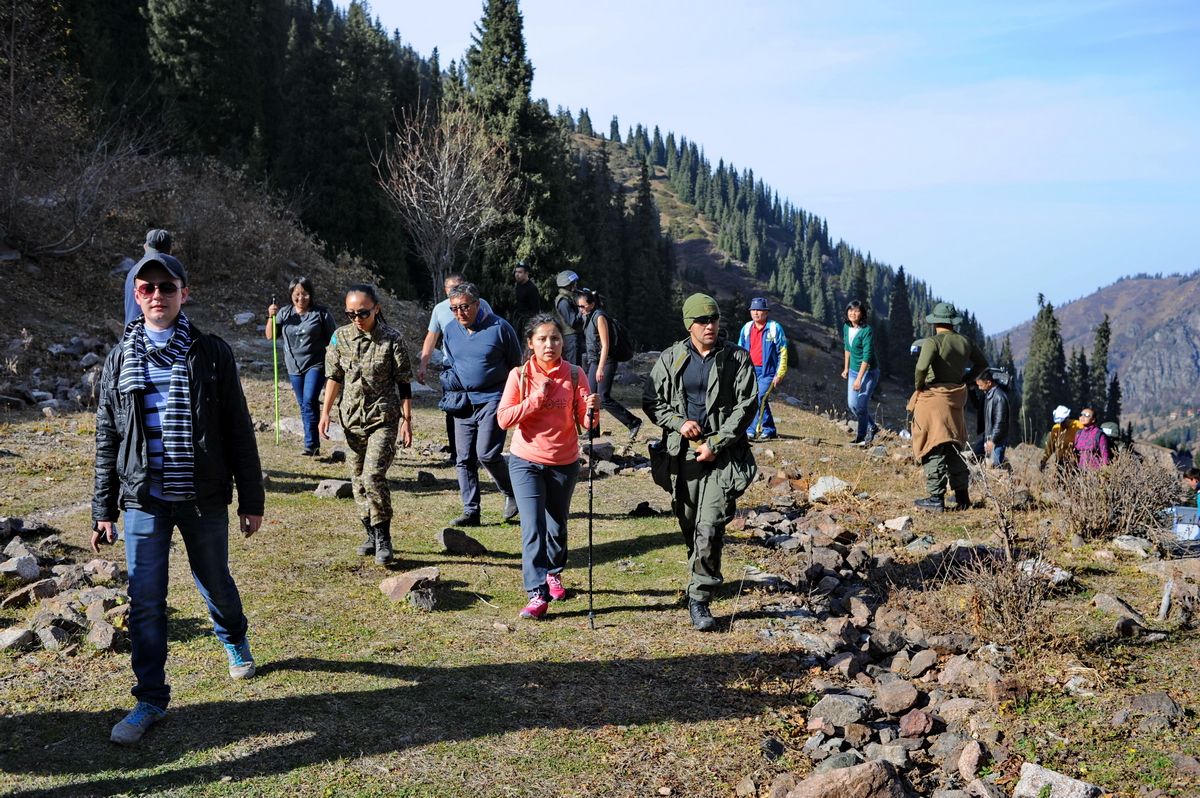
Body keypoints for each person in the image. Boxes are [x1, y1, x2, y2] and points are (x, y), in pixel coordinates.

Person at [92, 250, 264, 746]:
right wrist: (102, 508)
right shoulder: (119, 358)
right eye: (147, 288)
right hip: (143, 497)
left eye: (167, 287)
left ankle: (233, 636)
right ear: (136, 296)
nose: (157, 296)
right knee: (145, 601)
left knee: (214, 580)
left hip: (203, 496)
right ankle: (149, 699)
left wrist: (251, 498)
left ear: (184, 294)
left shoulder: (212, 352)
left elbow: (237, 428)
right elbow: (108, 435)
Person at [642, 293, 758, 631]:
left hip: (722, 458)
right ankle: (700, 573)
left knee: (710, 528)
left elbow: (746, 405)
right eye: (702, 321)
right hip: (682, 457)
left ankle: (700, 599)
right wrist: (679, 424)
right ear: (689, 325)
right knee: (690, 525)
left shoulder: (736, 358)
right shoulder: (672, 358)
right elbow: (652, 400)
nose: (710, 326)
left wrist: (717, 443)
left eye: (714, 319)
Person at [497, 314, 599, 620]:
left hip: (564, 462)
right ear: (530, 344)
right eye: (541, 339)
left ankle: (554, 573)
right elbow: (504, 418)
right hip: (525, 461)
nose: (549, 344)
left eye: (555, 338)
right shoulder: (520, 376)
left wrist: (593, 412)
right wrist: (535, 400)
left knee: (557, 526)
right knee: (533, 528)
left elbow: (586, 421)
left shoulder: (574, 374)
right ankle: (536, 593)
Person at [319, 284, 413, 564]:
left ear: (377, 309)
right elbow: (334, 377)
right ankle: (370, 534)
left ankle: (384, 536)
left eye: (363, 312)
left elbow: (404, 383)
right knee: (358, 480)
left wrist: (407, 420)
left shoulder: (392, 340)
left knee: (373, 476)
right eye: (351, 314)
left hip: (383, 418)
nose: (357, 319)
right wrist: (325, 413)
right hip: (352, 420)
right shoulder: (340, 338)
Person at [441, 282, 521, 526]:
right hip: (463, 402)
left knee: (486, 453)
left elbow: (515, 365)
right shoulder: (450, 330)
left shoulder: (500, 328)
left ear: (477, 304)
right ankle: (471, 511)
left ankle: (511, 493)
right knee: (463, 458)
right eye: (454, 308)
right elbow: (449, 362)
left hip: (493, 399)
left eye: (464, 307)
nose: (459, 313)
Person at [908, 302, 988, 512]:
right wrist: (966, 379)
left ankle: (935, 498)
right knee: (953, 445)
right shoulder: (965, 341)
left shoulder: (932, 342)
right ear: (953, 322)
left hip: (933, 398)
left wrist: (919, 386)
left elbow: (921, 367)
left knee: (932, 445)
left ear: (935, 321)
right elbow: (982, 364)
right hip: (955, 399)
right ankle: (962, 497)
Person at [416, 273, 494, 462]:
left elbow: (494, 330)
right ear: (445, 290)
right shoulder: (440, 309)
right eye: (451, 288)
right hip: (452, 367)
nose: (456, 291)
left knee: (480, 407)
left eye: (459, 286)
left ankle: (480, 450)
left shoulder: (480, 304)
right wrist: (423, 364)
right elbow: (431, 337)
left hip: (478, 365)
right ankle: (456, 452)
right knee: (454, 408)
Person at [266, 277, 337, 456]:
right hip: (293, 366)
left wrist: (337, 358)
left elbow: (334, 339)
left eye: (304, 294)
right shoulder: (284, 313)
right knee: (303, 404)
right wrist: (270, 317)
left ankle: (311, 444)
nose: (301, 298)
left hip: (316, 364)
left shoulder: (321, 313)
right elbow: (270, 336)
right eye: (297, 294)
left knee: (309, 400)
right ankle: (312, 444)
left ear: (310, 294)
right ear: (291, 295)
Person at [577, 288, 642, 441]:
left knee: (603, 397)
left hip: (606, 361)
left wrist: (600, 368)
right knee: (591, 396)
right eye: (578, 306)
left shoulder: (599, 317)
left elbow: (605, 344)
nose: (580, 309)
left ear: (592, 304)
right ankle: (593, 431)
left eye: (582, 306)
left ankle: (633, 422)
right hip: (595, 360)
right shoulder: (588, 316)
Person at [737, 297, 788, 441]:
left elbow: (783, 351)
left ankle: (753, 430)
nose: (755, 313)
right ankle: (769, 429)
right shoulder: (747, 328)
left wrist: (780, 373)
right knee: (752, 399)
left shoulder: (774, 328)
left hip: (768, 372)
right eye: (753, 310)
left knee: (760, 398)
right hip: (749, 371)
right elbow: (739, 350)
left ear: (766, 312)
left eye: (759, 310)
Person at [840, 299, 879, 445]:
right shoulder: (846, 327)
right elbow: (847, 348)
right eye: (851, 310)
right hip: (853, 371)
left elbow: (867, 356)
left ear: (862, 314)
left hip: (868, 372)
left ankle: (861, 436)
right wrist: (846, 368)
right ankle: (872, 426)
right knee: (852, 405)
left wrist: (859, 379)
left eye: (856, 311)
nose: (853, 313)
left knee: (861, 405)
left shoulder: (866, 331)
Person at [123, 229, 172, 325]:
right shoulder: (168, 271)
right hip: (147, 335)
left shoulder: (134, 270)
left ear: (145, 247)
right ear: (170, 250)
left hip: (130, 334)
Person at [971, 369, 1010, 467]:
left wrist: (992, 441)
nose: (979, 388)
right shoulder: (988, 394)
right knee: (974, 458)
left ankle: (1008, 475)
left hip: (997, 440)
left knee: (995, 466)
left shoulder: (999, 397)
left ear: (988, 383)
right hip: (988, 436)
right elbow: (978, 406)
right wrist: (971, 391)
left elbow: (1000, 423)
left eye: (980, 385)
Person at [552, 270, 584, 366]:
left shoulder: (569, 298)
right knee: (574, 367)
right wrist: (582, 310)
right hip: (570, 338)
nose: (575, 286)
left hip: (574, 337)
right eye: (573, 284)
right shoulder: (563, 301)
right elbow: (573, 322)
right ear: (567, 285)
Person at [1039, 405, 1082, 473]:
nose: (1061, 424)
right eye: (1060, 422)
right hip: (1061, 464)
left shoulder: (1079, 426)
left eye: (1063, 422)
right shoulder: (1056, 429)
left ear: (1068, 417)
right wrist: (1044, 461)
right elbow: (1050, 447)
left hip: (1076, 464)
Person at [511, 262, 541, 349]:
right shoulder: (518, 286)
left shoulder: (532, 288)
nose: (517, 275)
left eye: (520, 272)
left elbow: (536, 309)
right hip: (518, 321)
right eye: (516, 272)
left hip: (527, 322)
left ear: (526, 273)